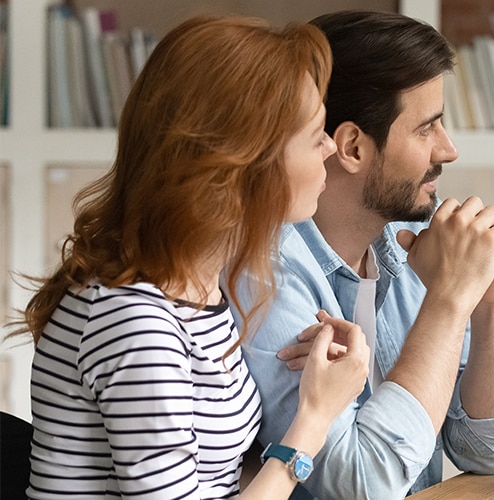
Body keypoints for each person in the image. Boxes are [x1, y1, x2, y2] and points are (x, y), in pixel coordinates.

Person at [11, 16, 371, 499]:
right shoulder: (133, 320)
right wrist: (315, 416)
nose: (331, 148)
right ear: (242, 166)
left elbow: (216, 482)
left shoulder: (200, 289)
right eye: (314, 135)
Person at [232, 10, 494, 499]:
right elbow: (361, 487)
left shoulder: (406, 242)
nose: (449, 149)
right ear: (351, 147)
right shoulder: (267, 273)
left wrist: (493, 300)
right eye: (426, 128)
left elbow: (485, 451)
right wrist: (450, 301)